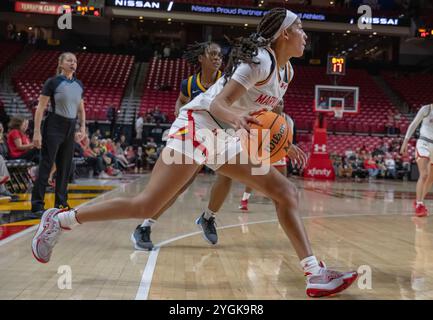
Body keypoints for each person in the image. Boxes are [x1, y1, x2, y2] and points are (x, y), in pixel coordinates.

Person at [32, 9, 358, 297]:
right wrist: (236, 118)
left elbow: (270, 113)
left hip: (224, 136)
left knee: (285, 191)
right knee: (146, 204)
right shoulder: (258, 61)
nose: (305, 34)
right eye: (300, 27)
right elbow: (219, 103)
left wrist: (286, 142)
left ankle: (314, 273)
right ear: (285, 34)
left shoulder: (286, 72)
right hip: (197, 126)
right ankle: (60, 221)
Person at [132, 41, 229, 250]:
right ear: (201, 58)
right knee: (177, 186)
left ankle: (208, 217)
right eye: (212, 53)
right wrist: (179, 110)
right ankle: (144, 226)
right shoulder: (189, 83)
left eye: (220, 55)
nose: (217, 57)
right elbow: (182, 100)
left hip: (219, 137)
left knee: (228, 175)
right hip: (194, 137)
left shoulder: (226, 81)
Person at [30, 52, 86, 217]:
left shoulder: (79, 84)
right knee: (46, 165)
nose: (73, 63)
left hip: (70, 126)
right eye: (69, 60)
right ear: (61, 64)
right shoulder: (52, 82)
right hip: (54, 125)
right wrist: (36, 132)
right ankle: (37, 206)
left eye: (75, 61)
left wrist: (82, 128)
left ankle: (61, 203)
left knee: (65, 167)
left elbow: (81, 109)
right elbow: (41, 108)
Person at [401, 103, 433, 217]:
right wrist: (405, 142)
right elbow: (414, 124)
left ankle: (420, 201)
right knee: (424, 174)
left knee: (431, 178)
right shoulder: (426, 109)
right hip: (423, 143)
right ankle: (419, 205)